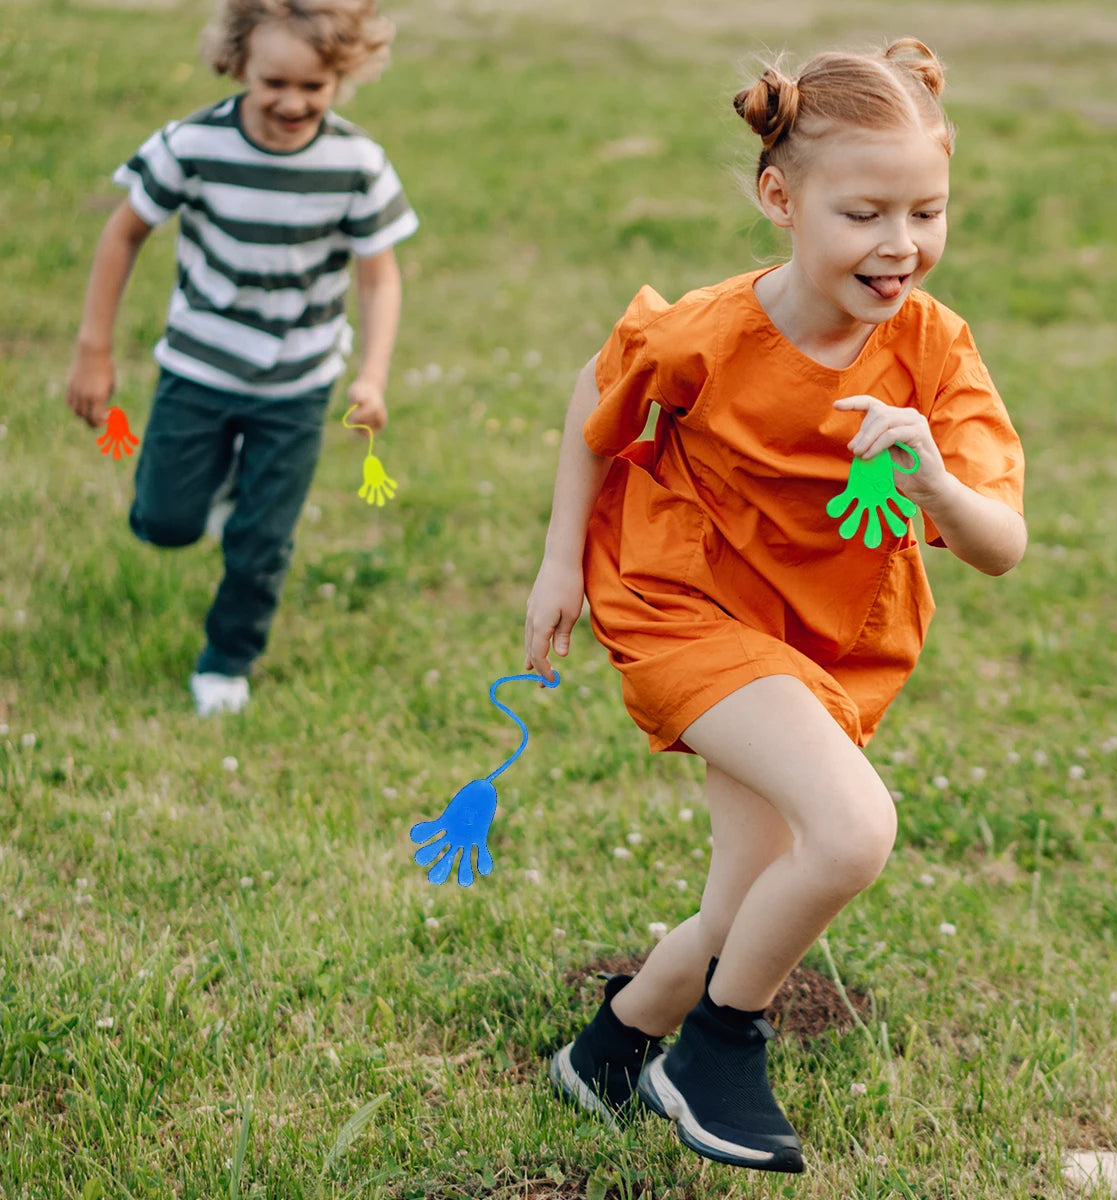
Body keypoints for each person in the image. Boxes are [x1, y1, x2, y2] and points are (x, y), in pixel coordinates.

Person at [525, 38, 1025, 1174]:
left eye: (927, 211)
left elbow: (1002, 544)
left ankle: (608, 1051)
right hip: (683, 608)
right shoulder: (713, 330)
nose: (900, 246)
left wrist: (937, 481)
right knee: (851, 832)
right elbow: (598, 390)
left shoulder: (937, 353)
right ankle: (717, 1047)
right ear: (779, 197)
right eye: (864, 213)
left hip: (824, 646)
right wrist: (563, 562)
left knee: (745, 907)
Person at [66, 0, 418, 716]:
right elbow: (123, 233)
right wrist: (93, 349)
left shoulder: (355, 163)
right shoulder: (193, 145)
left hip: (298, 381)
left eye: (314, 87)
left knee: (263, 540)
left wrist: (373, 374)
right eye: (274, 83)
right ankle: (216, 490)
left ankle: (227, 660)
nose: (293, 103)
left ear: (342, 76)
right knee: (163, 521)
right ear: (238, 64)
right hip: (199, 367)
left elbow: (378, 275)